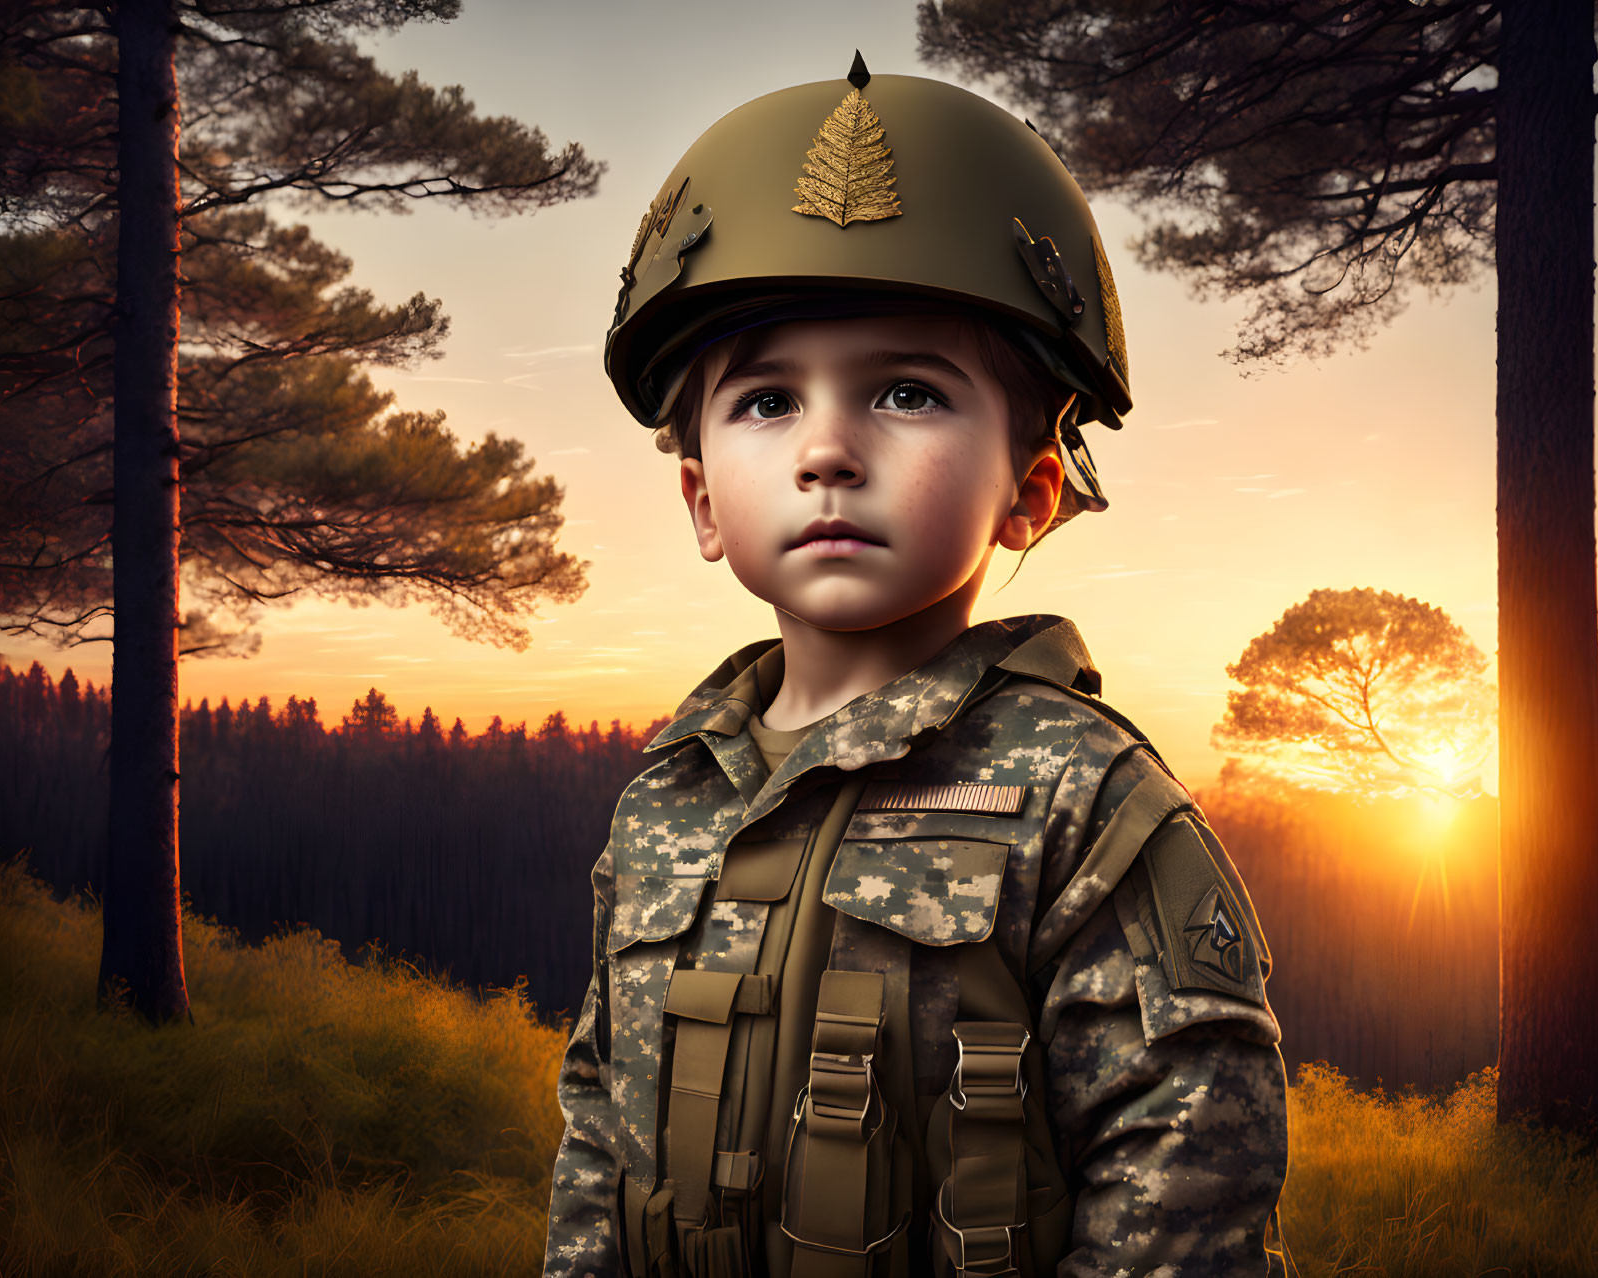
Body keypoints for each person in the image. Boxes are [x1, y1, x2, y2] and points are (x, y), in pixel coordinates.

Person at [544, 54, 1295, 1278]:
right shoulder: (668, 795)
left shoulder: (1085, 802)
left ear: (1029, 491)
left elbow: (1184, 1168)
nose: (828, 450)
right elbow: (600, 1122)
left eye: (905, 391)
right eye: (765, 401)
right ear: (699, 503)